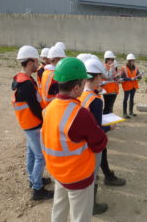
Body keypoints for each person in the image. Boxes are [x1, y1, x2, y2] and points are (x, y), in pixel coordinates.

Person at [41, 57, 108, 222]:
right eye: (84, 81)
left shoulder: (49, 108)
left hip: (58, 171)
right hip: (77, 175)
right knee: (80, 217)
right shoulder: (79, 113)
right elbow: (99, 142)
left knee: (59, 209)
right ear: (77, 87)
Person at [11, 45, 53, 200]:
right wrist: (44, 121)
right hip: (33, 124)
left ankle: (33, 179)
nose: (38, 63)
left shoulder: (20, 79)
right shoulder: (27, 84)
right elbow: (35, 107)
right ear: (30, 62)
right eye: (36, 61)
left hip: (27, 124)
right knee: (40, 156)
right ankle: (37, 189)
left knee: (31, 153)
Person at [78, 57, 116, 215]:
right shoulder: (96, 101)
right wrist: (109, 126)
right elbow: (98, 128)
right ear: (95, 78)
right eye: (100, 76)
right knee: (93, 174)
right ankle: (92, 206)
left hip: (81, 142)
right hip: (93, 144)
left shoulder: (82, 94)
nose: (102, 79)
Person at [121, 53, 142, 118]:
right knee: (126, 99)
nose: (133, 61)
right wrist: (130, 78)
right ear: (129, 61)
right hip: (127, 86)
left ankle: (131, 112)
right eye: (132, 60)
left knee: (132, 99)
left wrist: (140, 76)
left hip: (133, 86)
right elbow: (122, 78)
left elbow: (138, 76)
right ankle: (124, 113)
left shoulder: (136, 68)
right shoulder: (124, 68)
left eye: (133, 60)